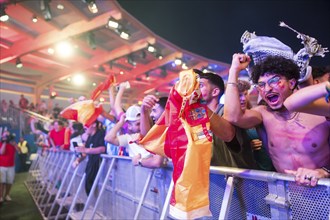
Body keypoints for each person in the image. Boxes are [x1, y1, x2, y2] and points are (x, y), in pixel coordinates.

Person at [224, 54, 330, 186]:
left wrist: (324, 171)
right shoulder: (263, 114)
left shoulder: (319, 113)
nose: (267, 89)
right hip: (285, 194)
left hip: (323, 191)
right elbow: (232, 116)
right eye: (261, 85)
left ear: (291, 83)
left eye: (274, 81)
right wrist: (234, 70)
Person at [196, 69, 257, 169]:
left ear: (215, 91)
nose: (195, 90)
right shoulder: (198, 118)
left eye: (200, 85)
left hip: (240, 181)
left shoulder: (228, 114)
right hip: (215, 181)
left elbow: (229, 136)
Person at [236, 79, 275, 171]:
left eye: (245, 94)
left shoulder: (256, 112)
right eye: (239, 95)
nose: (243, 99)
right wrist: (246, 147)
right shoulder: (230, 119)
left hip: (272, 169)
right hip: (251, 172)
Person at [132, 95, 168, 168]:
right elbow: (148, 139)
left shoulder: (169, 131)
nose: (151, 115)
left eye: (154, 110)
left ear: (165, 111)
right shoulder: (163, 131)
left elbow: (156, 162)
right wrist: (143, 111)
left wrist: (139, 161)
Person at [73, 120, 106, 195]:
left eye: (87, 124)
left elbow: (102, 149)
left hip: (99, 166)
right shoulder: (89, 138)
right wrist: (77, 160)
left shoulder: (100, 134)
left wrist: (86, 149)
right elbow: (85, 153)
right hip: (90, 167)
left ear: (94, 124)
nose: (84, 127)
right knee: (89, 188)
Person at [0, 131, 20, 203]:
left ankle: (7, 195)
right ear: (2, 136)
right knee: (1, 182)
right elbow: (1, 152)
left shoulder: (13, 143)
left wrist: (15, 145)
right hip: (1, 166)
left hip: (11, 166)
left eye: (8, 135)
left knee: (9, 182)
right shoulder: (1, 143)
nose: (7, 137)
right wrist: (5, 142)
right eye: (5, 135)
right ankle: (1, 196)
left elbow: (19, 151)